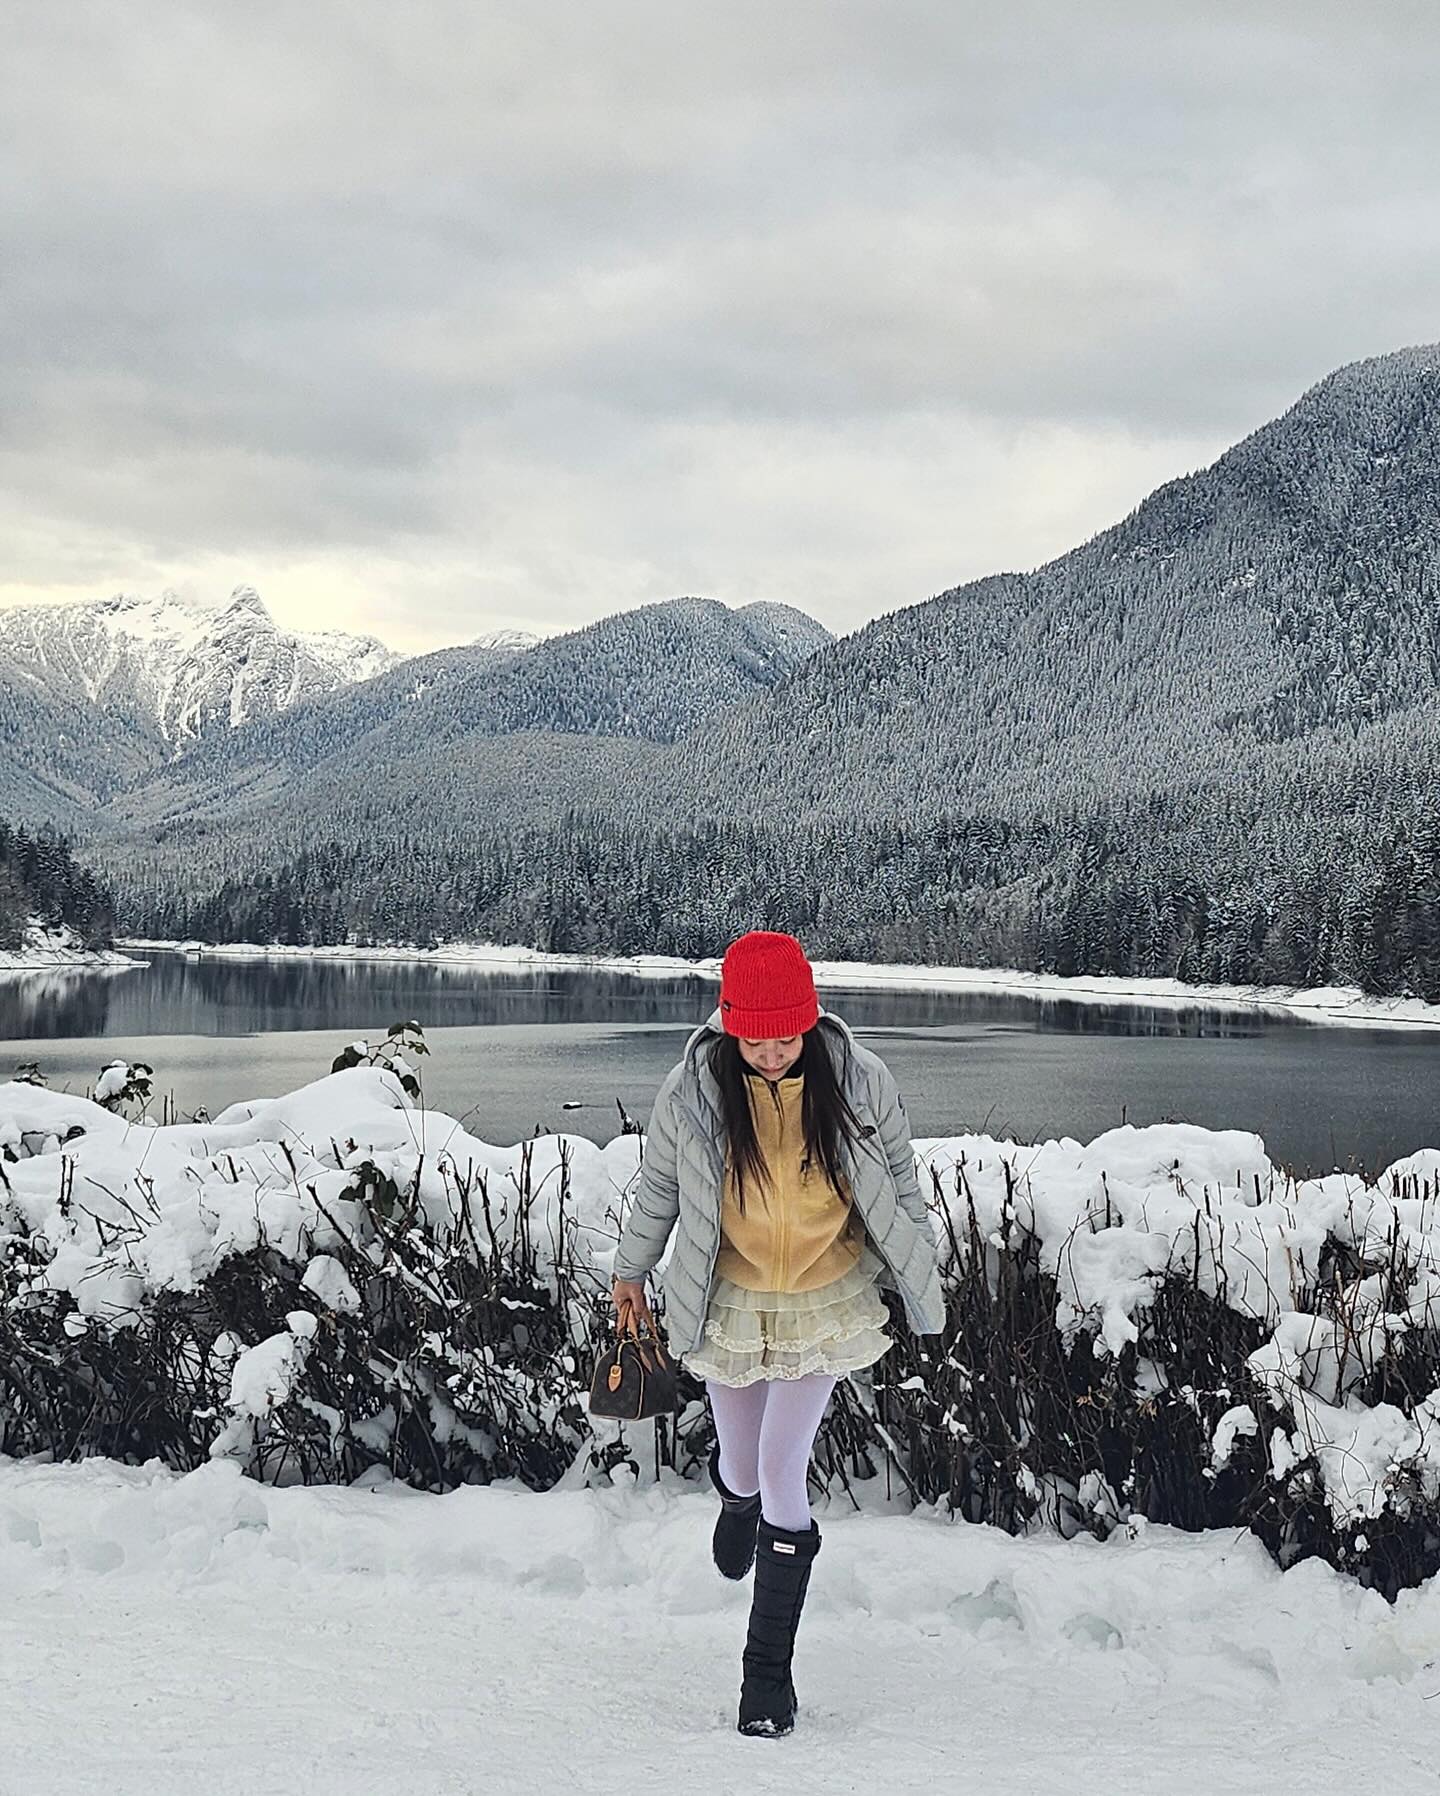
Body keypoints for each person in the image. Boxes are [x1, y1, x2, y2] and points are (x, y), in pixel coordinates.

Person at [611, 930, 944, 1738]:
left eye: (785, 1038)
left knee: (782, 1468)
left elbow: (900, 1181)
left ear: (810, 1019)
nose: (770, 1055)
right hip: (730, 1294)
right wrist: (630, 1270)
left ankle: (766, 1679)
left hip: (825, 1296)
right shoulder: (693, 1090)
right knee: (742, 1460)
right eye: (754, 1041)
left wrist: (918, 1265)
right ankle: (736, 1499)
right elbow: (659, 1186)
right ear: (729, 1025)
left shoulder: (860, 1079)